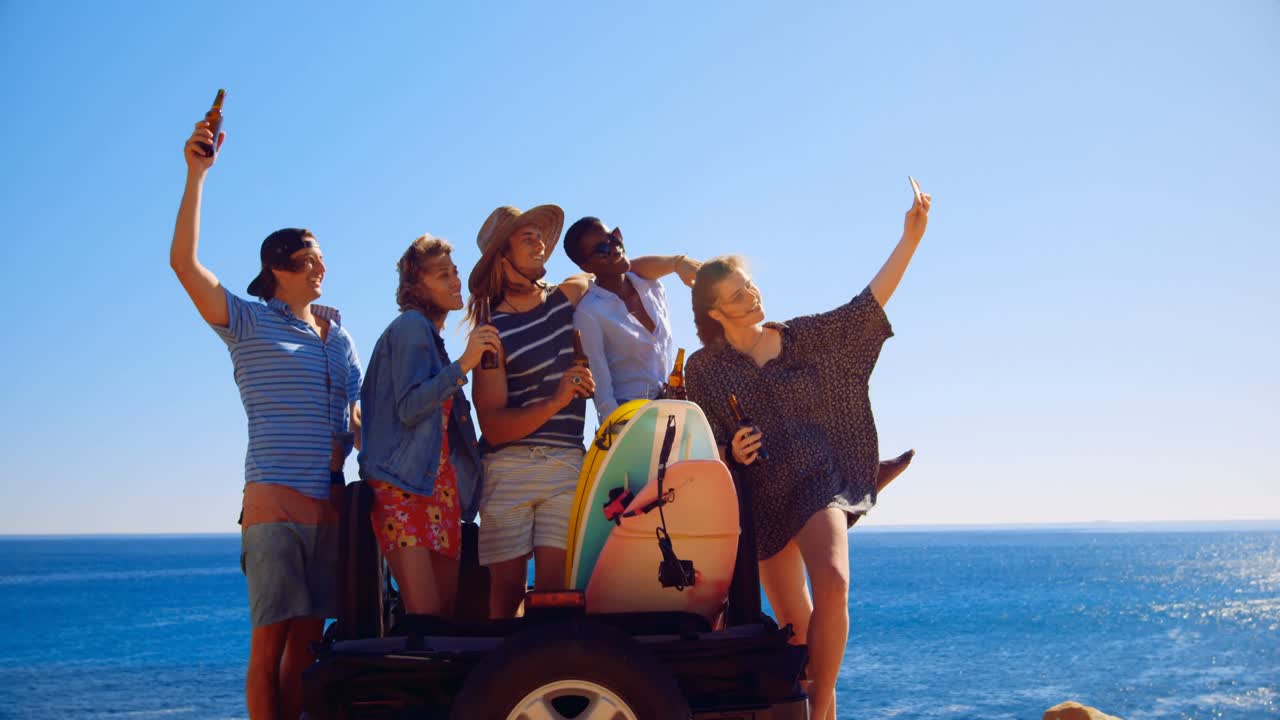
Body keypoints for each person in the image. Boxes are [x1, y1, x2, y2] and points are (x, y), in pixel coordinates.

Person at [684, 181, 932, 720]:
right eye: (737, 296)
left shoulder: (802, 337)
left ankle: (820, 705)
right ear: (715, 312)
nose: (752, 298)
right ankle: (813, 707)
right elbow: (710, 442)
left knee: (835, 584)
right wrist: (734, 450)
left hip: (818, 480)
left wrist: (910, 238)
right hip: (764, 496)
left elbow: (865, 308)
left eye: (750, 287)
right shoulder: (705, 369)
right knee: (797, 631)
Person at [169, 119, 361, 719]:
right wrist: (196, 175)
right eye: (310, 260)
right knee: (270, 643)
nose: (320, 269)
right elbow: (184, 264)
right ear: (280, 267)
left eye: (322, 259)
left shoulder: (338, 337)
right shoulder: (248, 322)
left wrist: (355, 432)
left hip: (326, 504)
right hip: (274, 505)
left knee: (307, 647)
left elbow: (356, 413)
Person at [467, 204, 698, 618]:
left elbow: (622, 267)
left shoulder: (569, 295)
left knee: (557, 590)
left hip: (566, 464)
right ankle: (511, 677)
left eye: (538, 233)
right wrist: (556, 400)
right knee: (506, 593)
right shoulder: (490, 332)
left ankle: (549, 674)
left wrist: (678, 263)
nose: (538, 240)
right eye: (526, 237)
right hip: (509, 468)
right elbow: (494, 427)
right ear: (502, 259)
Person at [357, 235, 497, 617]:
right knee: (425, 617)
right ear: (415, 286)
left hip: (438, 490)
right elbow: (409, 406)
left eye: (455, 272)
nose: (455, 281)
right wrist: (465, 364)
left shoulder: (432, 339)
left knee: (443, 615)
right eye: (442, 275)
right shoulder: (411, 328)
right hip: (403, 487)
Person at [564, 217, 680, 420]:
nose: (614, 247)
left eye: (613, 236)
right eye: (602, 249)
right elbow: (602, 394)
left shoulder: (653, 287)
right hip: (631, 423)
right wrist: (621, 434)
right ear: (586, 266)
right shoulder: (588, 313)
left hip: (673, 416)